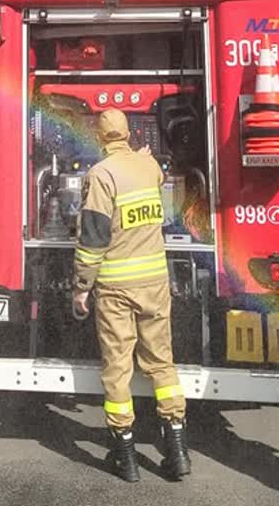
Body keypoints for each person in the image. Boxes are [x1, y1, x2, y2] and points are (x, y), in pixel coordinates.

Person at [72, 108, 189, 482]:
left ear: (100, 137)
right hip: (155, 283)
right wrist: (141, 156)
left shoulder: (101, 175)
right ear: (128, 134)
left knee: (118, 368)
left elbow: (93, 238)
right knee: (162, 363)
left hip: (116, 289)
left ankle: (126, 456)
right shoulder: (149, 167)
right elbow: (155, 175)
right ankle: (177, 451)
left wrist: (81, 288)